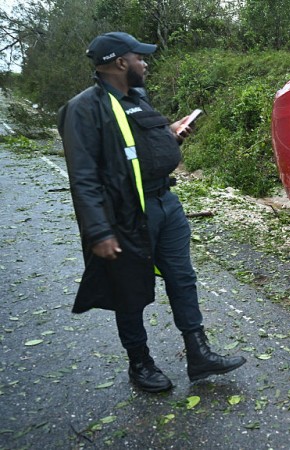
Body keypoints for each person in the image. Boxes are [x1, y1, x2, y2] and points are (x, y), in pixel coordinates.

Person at [57, 32, 246, 393]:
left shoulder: (137, 97)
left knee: (182, 278)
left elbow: (140, 144)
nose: (145, 63)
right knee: (129, 290)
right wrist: (99, 231)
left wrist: (170, 134)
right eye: (139, 57)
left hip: (166, 204)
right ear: (120, 63)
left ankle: (199, 353)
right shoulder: (84, 108)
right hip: (124, 215)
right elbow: (82, 176)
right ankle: (140, 364)